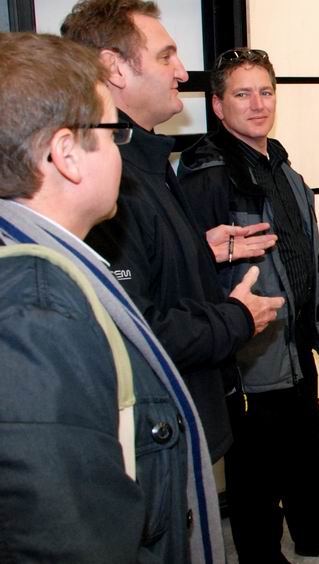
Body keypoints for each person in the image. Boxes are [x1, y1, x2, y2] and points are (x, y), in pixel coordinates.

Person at [0, 32, 223, 563]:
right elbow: (67, 538)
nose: (124, 148)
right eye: (113, 131)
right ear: (67, 155)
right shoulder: (37, 312)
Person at [61, 0, 284, 462]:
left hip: (181, 416)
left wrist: (199, 249)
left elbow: (145, 270)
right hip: (156, 433)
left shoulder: (146, 159)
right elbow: (132, 330)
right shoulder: (106, 176)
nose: (182, 73)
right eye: (166, 57)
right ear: (115, 68)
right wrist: (237, 317)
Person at [177, 48, 319, 563]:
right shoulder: (207, 174)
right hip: (247, 349)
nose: (258, 104)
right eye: (242, 94)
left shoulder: (282, 166)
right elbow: (189, 271)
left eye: (265, 92)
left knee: (307, 444)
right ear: (218, 105)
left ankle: (315, 532)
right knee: (255, 465)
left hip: (293, 338)